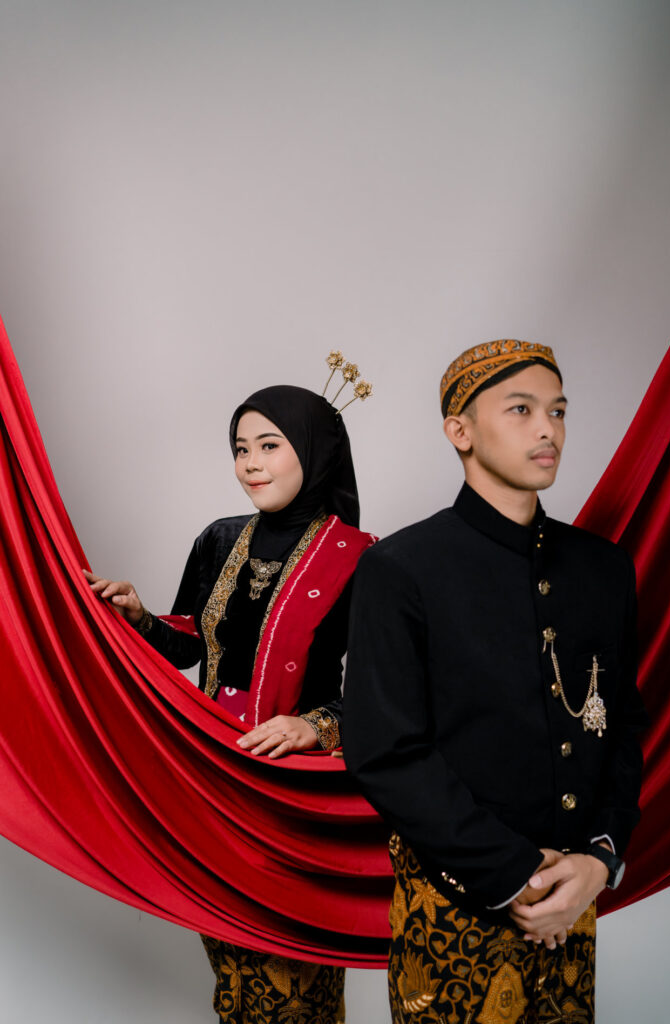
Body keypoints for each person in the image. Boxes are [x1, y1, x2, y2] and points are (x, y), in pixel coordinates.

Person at [343, 340, 647, 1024]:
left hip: (572, 903)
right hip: (454, 909)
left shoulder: (602, 568)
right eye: (521, 410)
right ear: (460, 431)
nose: (548, 430)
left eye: (558, 411)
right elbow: (385, 751)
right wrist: (512, 874)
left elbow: (622, 723)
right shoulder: (401, 568)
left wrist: (599, 860)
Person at [85, 370, 375, 1024]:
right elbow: (191, 642)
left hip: (294, 791)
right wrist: (140, 617)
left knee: (292, 980)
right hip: (212, 776)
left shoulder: (360, 558)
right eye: (240, 448)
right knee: (233, 969)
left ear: (315, 450)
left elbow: (389, 691)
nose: (249, 464)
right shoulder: (220, 538)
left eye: (269, 446)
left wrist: (315, 726)